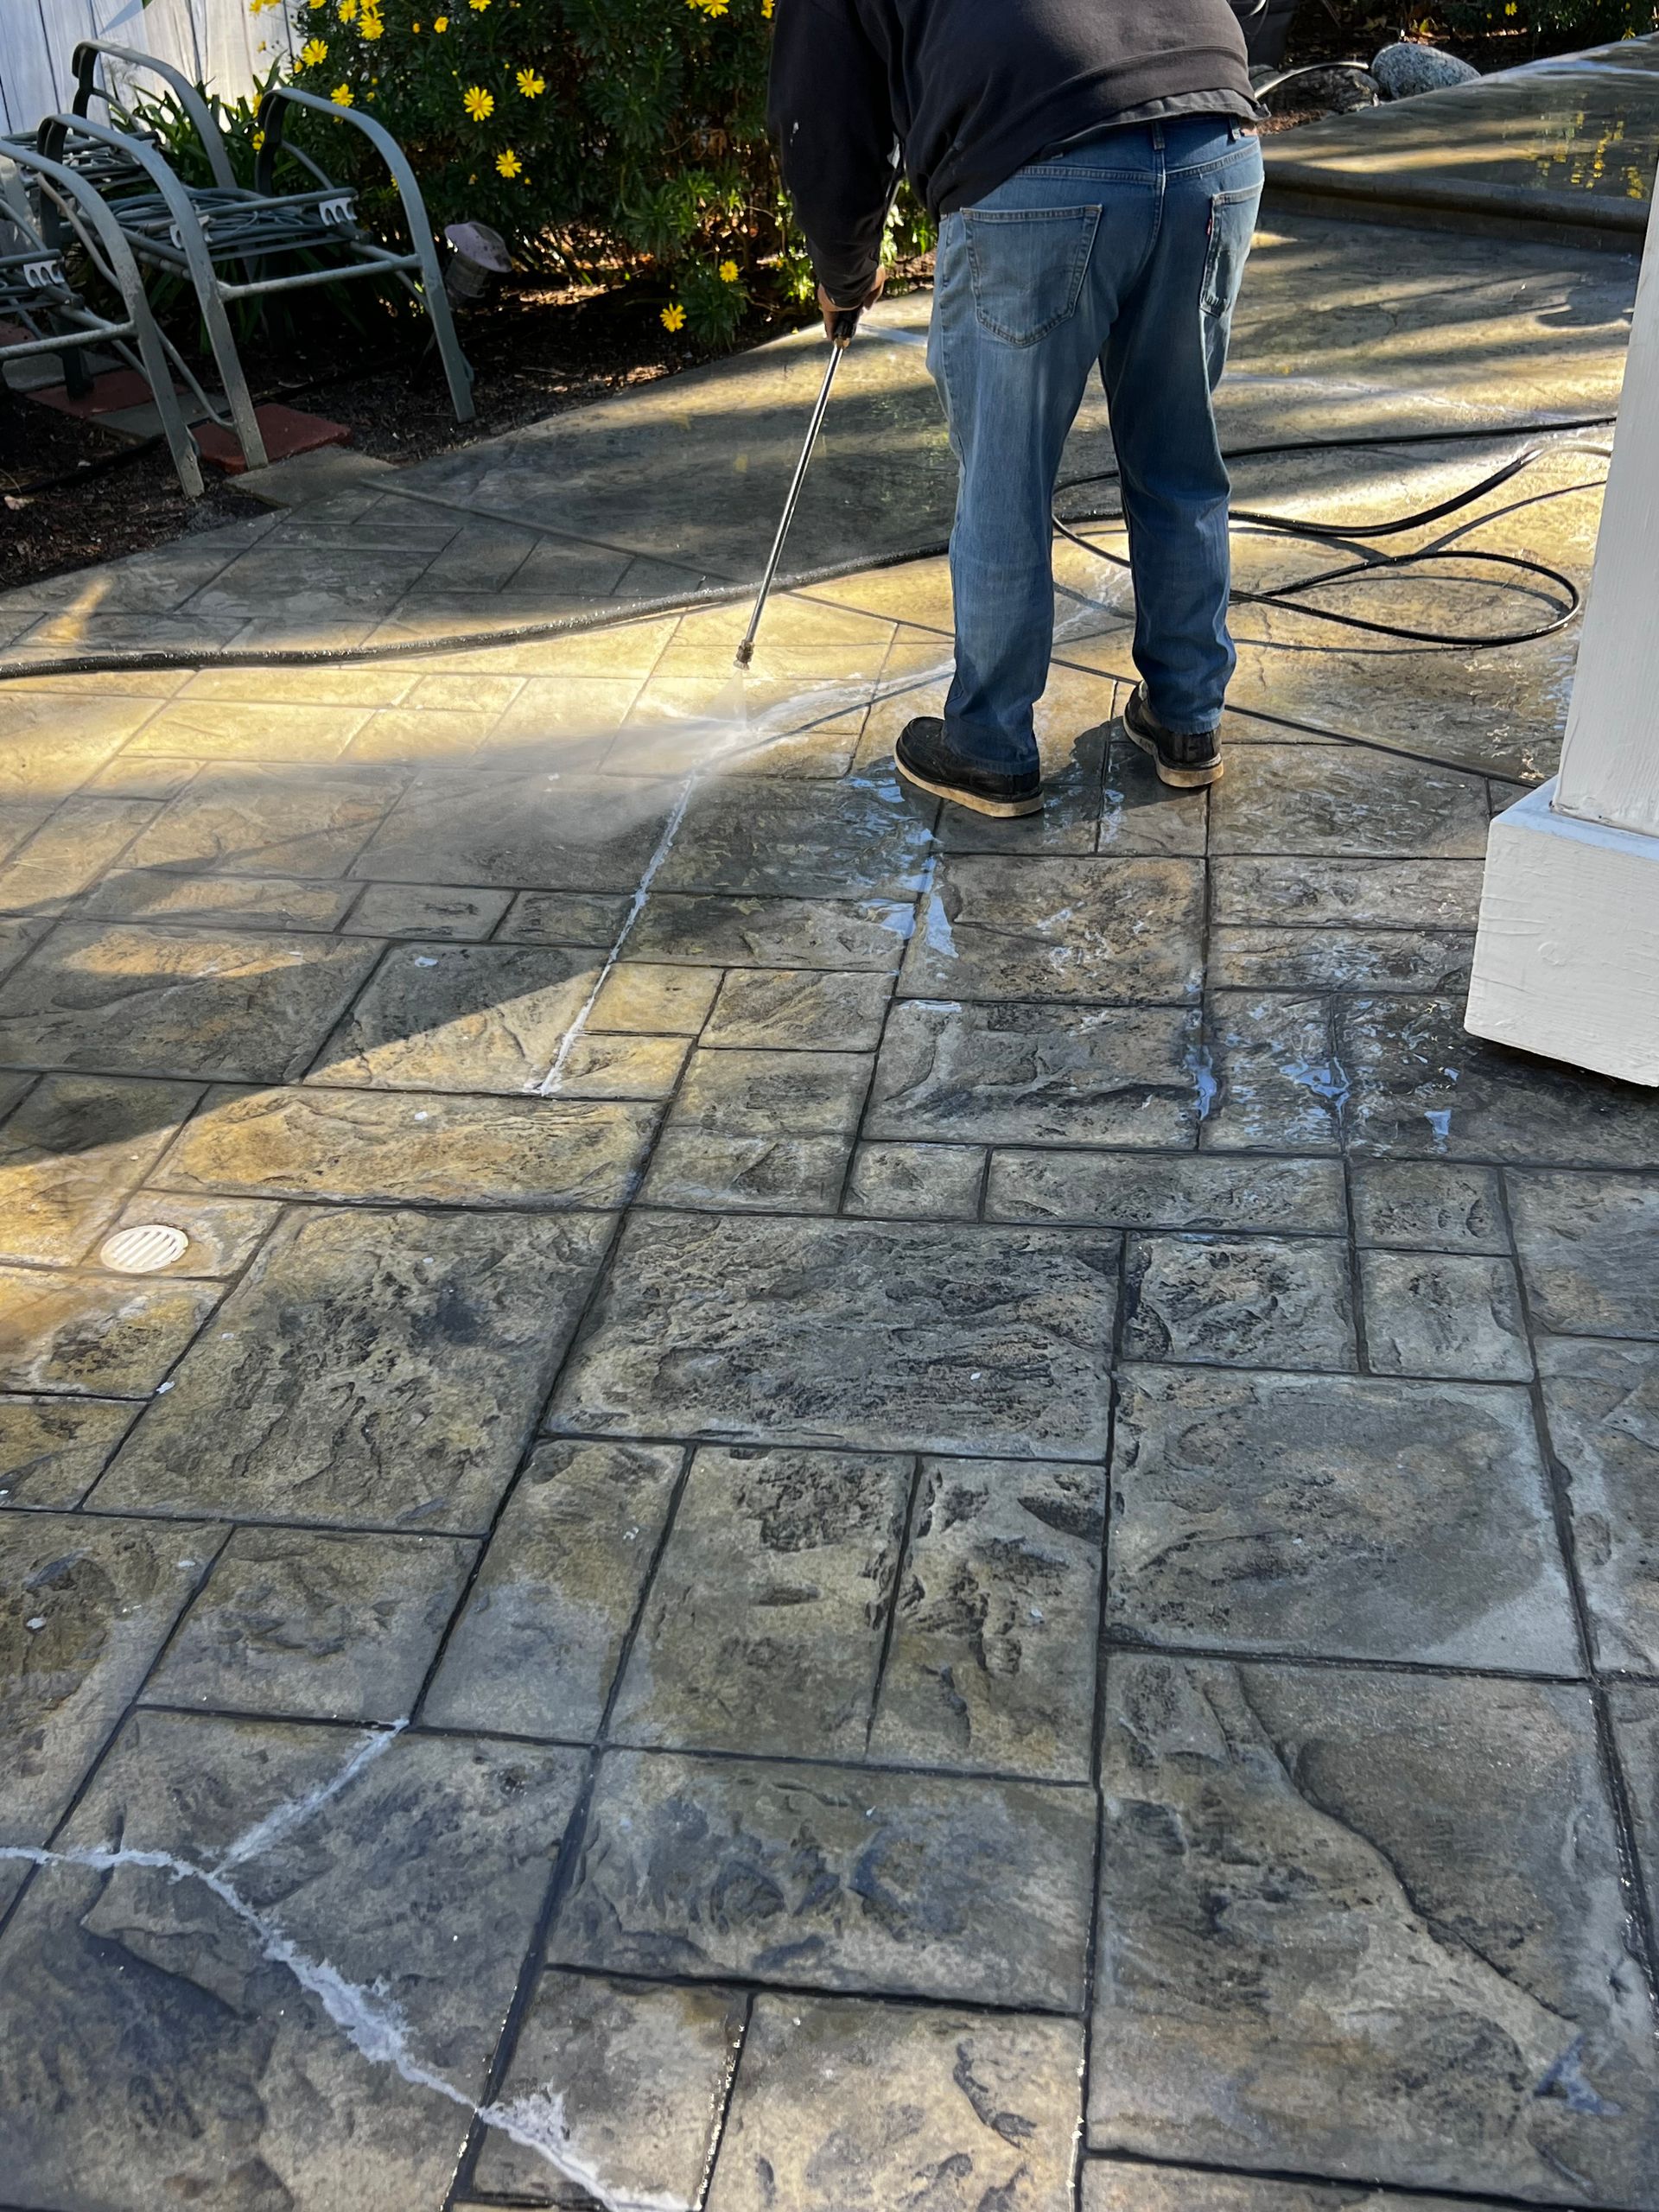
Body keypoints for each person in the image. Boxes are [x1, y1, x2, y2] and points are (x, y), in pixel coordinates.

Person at [769, 0, 1268, 816]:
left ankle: (989, 746)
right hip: (1214, 139)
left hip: (1038, 173)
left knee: (1006, 475)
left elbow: (821, 122)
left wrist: (844, 268)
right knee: (1177, 453)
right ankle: (1188, 720)